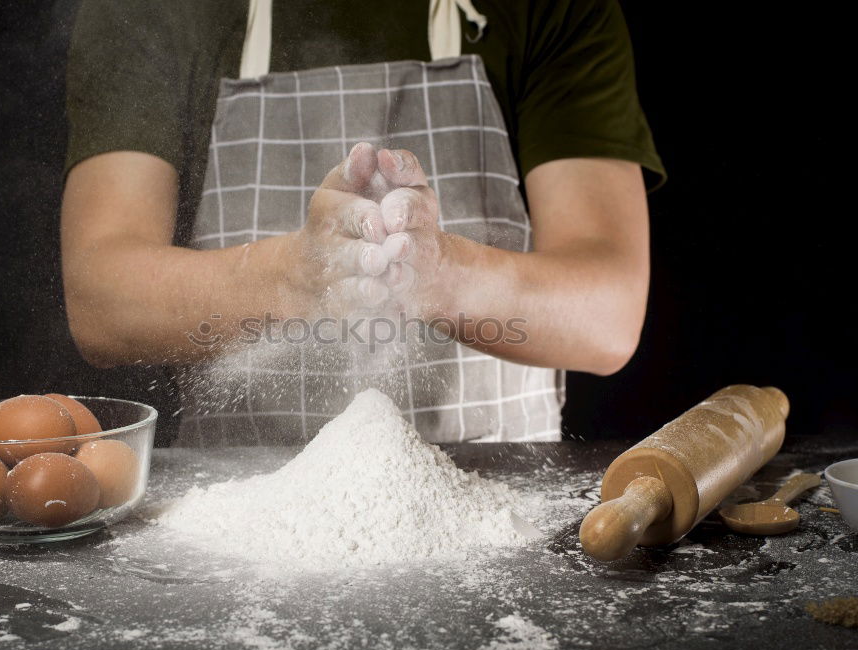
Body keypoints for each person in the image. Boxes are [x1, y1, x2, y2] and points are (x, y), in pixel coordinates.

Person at [60, 0, 665, 445]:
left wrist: (437, 274)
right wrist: (297, 276)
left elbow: (608, 313)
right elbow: (101, 297)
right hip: (235, 522)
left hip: (499, 514)